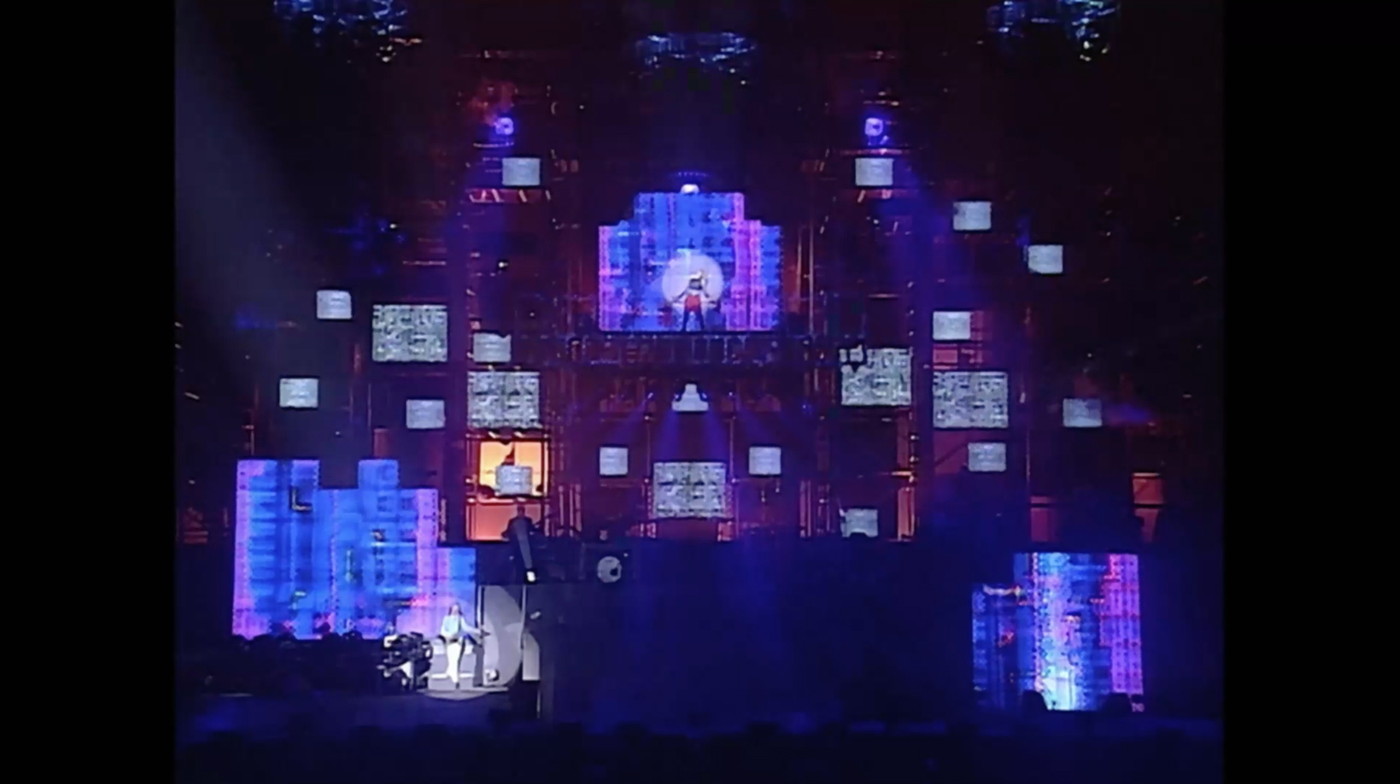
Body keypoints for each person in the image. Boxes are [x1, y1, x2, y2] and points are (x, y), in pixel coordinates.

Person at [439, 603, 482, 689]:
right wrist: (448, 635)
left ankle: (456, 680)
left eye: (457, 609)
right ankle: (451, 673)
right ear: (451, 609)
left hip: (458, 642)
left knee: (456, 661)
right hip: (449, 642)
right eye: (454, 609)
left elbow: (466, 628)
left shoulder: (460, 619)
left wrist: (477, 631)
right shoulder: (446, 619)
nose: (455, 611)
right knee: (452, 661)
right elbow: (443, 630)